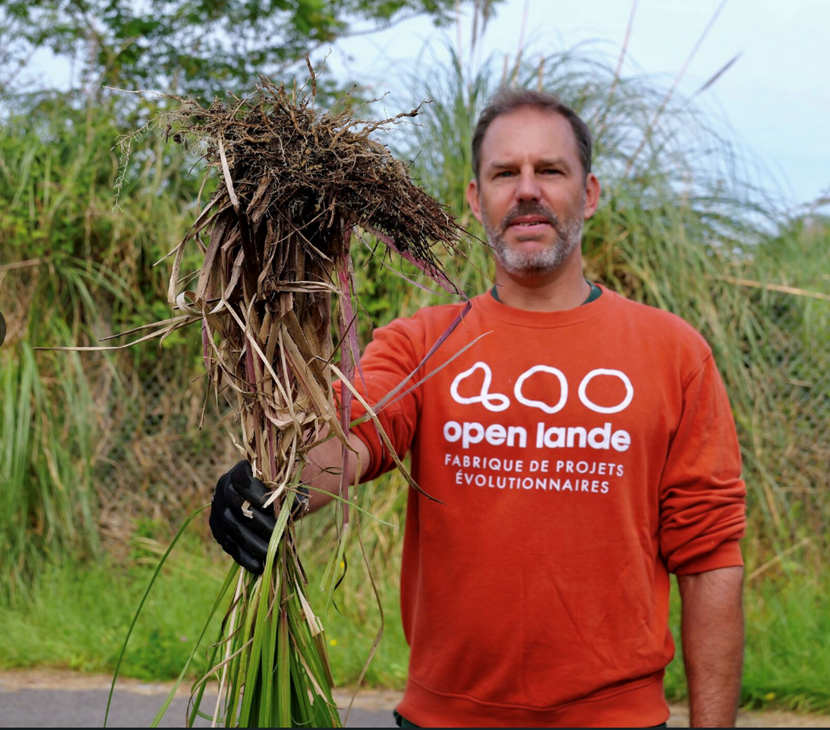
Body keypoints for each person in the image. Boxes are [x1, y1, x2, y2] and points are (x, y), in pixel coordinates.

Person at [210, 88, 746, 728]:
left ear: (590, 193)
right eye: (505, 173)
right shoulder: (424, 342)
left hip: (617, 720)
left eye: (550, 170)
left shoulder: (673, 352)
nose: (527, 191)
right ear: (475, 198)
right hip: (444, 719)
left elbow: (710, 557)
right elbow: (356, 440)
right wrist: (275, 487)